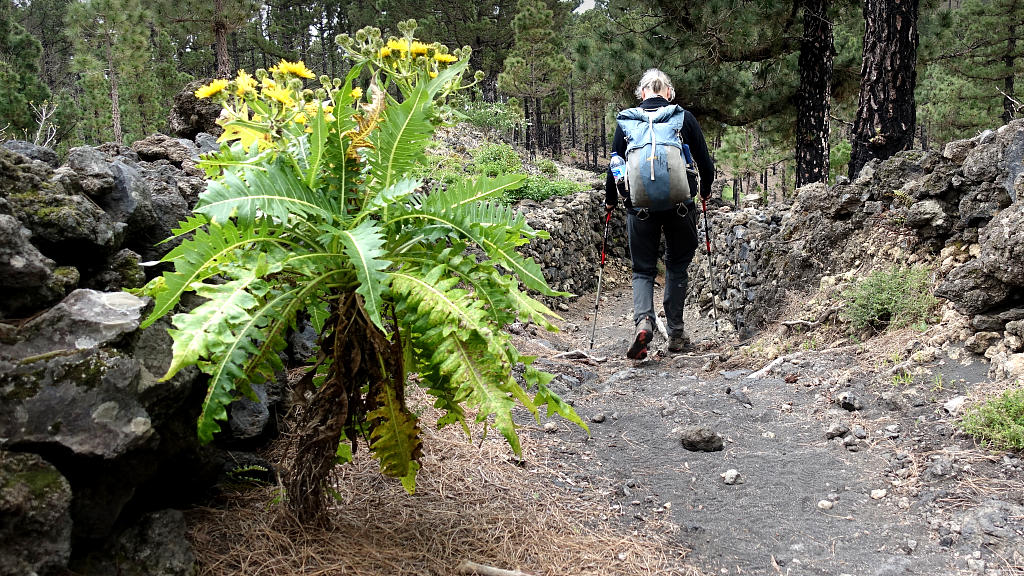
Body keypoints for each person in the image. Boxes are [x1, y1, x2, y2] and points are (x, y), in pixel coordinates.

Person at [605, 68, 714, 360]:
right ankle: (676, 333)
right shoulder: (682, 117)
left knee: (642, 269)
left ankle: (644, 323)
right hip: (680, 205)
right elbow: (705, 162)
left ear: (642, 93)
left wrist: (610, 201)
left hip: (639, 207)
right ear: (668, 93)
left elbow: (615, 164)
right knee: (677, 265)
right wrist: (705, 191)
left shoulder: (628, 119)